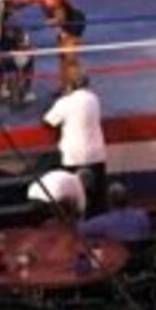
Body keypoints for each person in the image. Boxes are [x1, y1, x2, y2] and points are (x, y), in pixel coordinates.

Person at [44, 75, 106, 214]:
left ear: (70, 86)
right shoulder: (94, 99)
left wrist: (60, 99)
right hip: (96, 154)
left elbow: (49, 121)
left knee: (72, 197)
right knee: (98, 197)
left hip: (73, 155)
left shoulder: (65, 102)